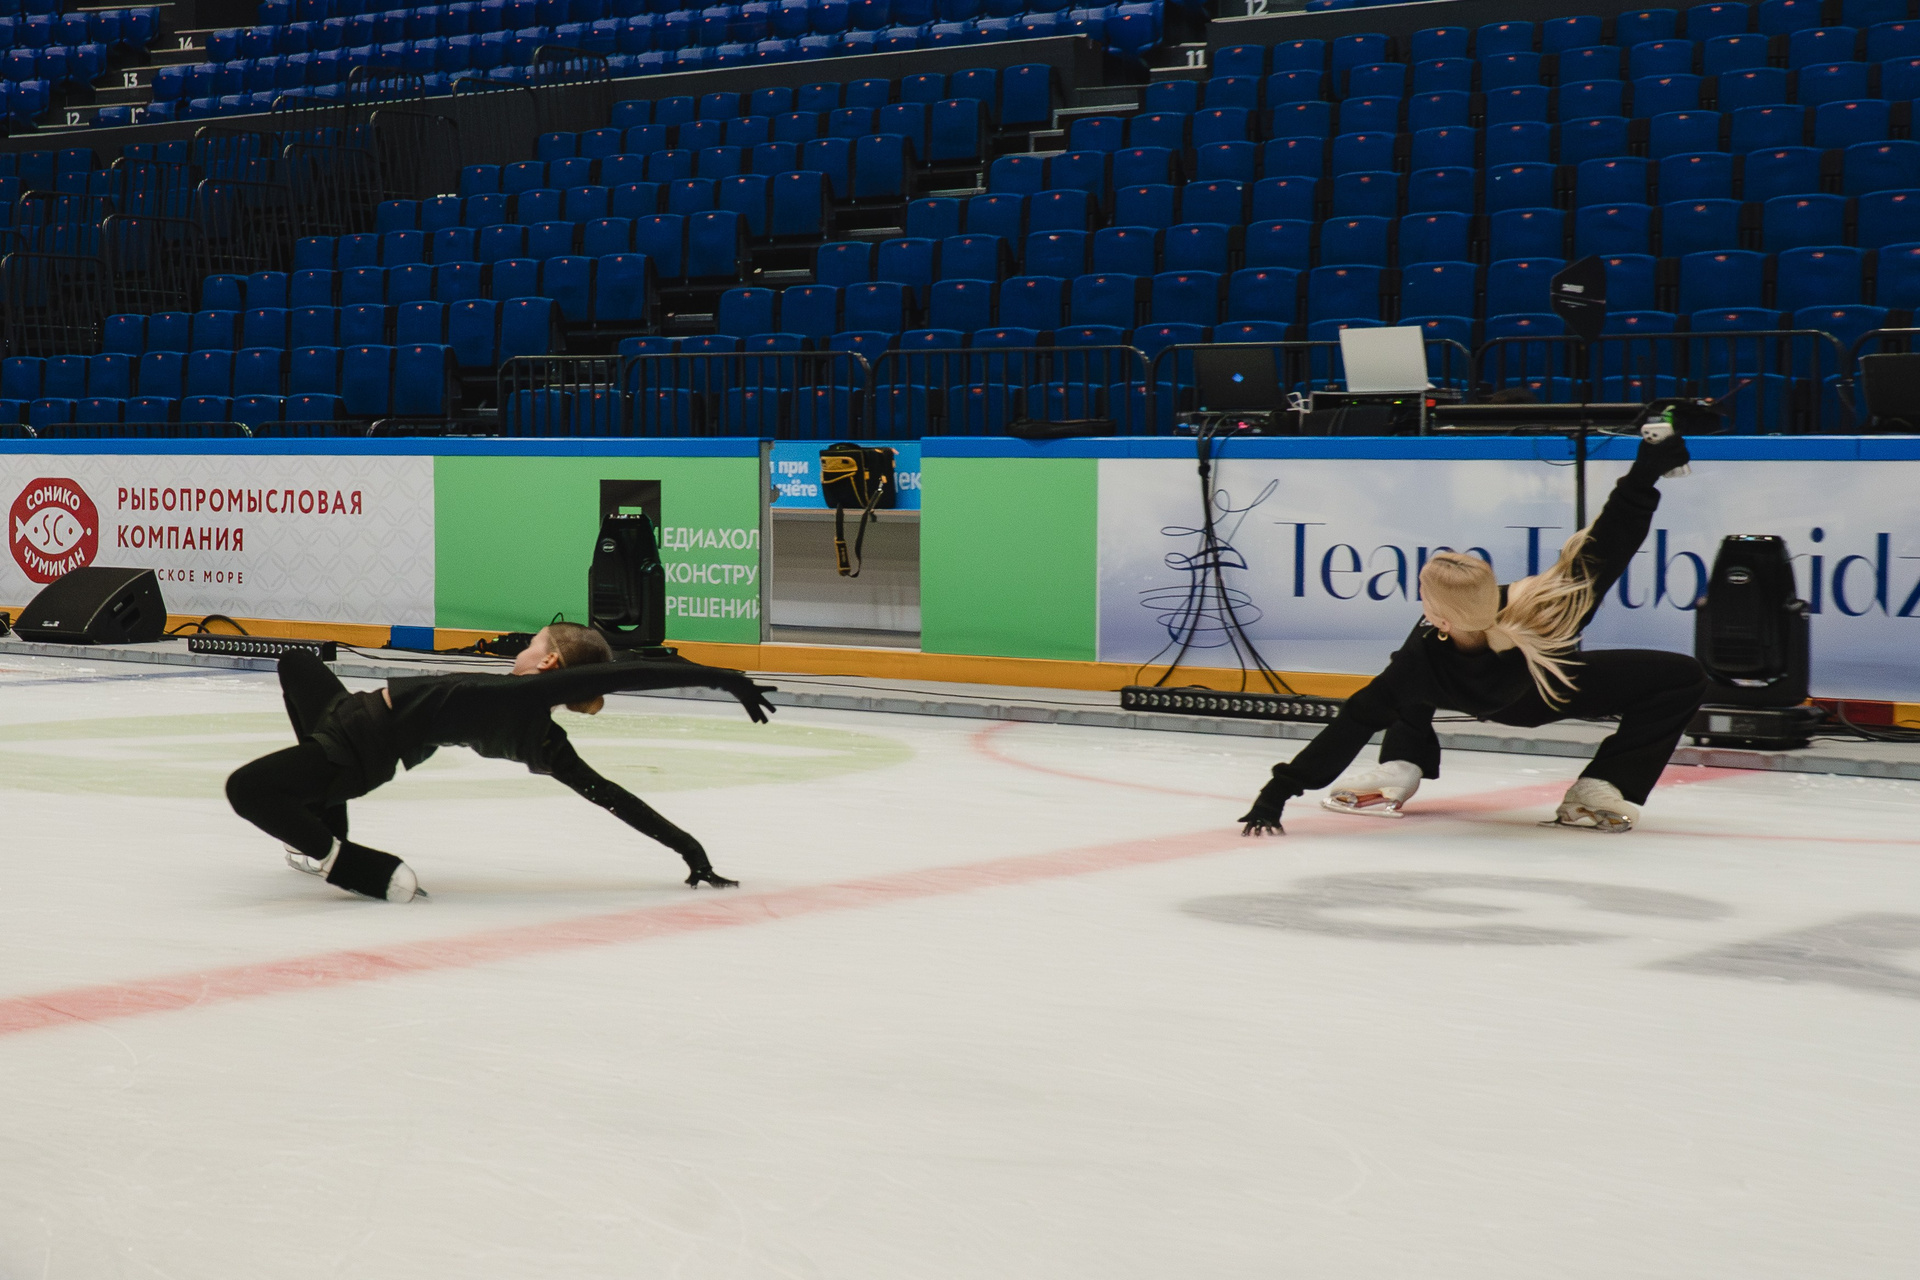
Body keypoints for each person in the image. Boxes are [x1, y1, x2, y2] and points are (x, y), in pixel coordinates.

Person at [1240, 427, 1704, 836]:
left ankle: (1403, 763)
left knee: (1410, 667)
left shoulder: (1426, 655)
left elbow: (1352, 725)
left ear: (1442, 617)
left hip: (1534, 683)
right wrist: (1644, 472)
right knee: (1682, 677)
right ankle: (1604, 782)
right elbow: (1608, 545)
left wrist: (1278, 790)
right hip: (1544, 686)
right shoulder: (1545, 608)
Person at [226, 623, 776, 901]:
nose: (520, 650)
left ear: (549, 663)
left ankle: (343, 860)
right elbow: (610, 796)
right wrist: (689, 848)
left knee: (246, 789)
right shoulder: (541, 739)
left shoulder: (521, 698)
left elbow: (628, 674)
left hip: (352, 749)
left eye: (531, 645)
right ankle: (324, 819)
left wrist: (724, 679)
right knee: (295, 662)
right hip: (348, 718)